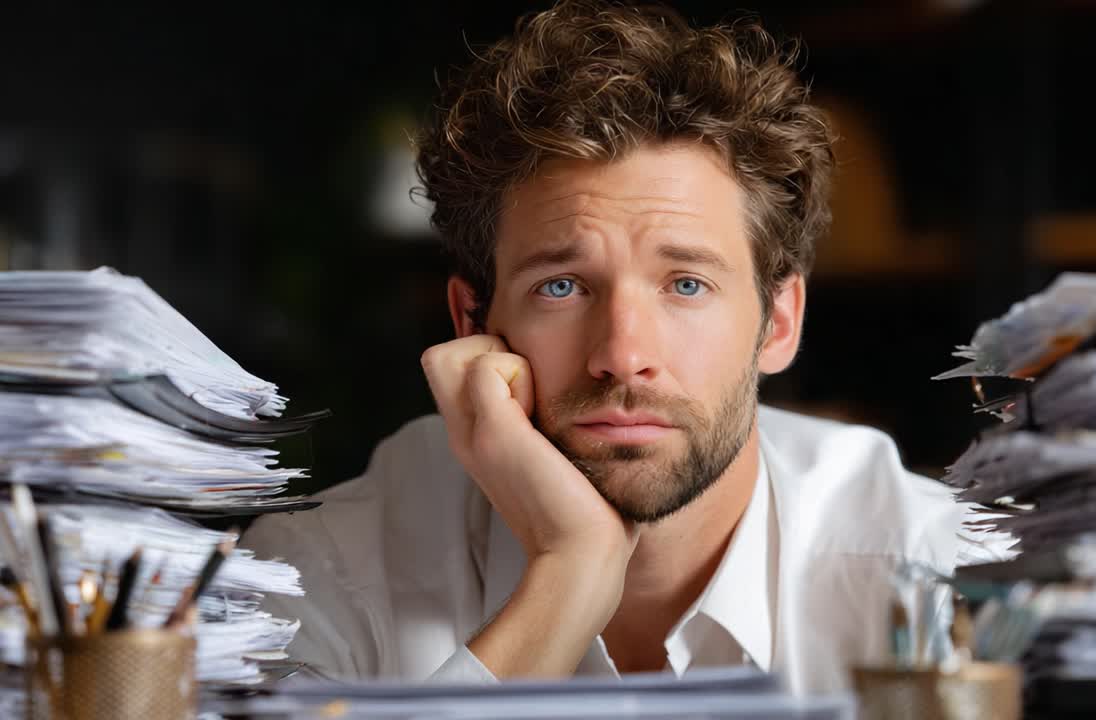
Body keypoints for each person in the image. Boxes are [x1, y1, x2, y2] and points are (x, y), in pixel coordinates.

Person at [243, 0, 1004, 694]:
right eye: (563, 287)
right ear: (472, 322)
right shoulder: (325, 571)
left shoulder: (939, 572)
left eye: (686, 285)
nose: (623, 354)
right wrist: (568, 577)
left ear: (778, 322)